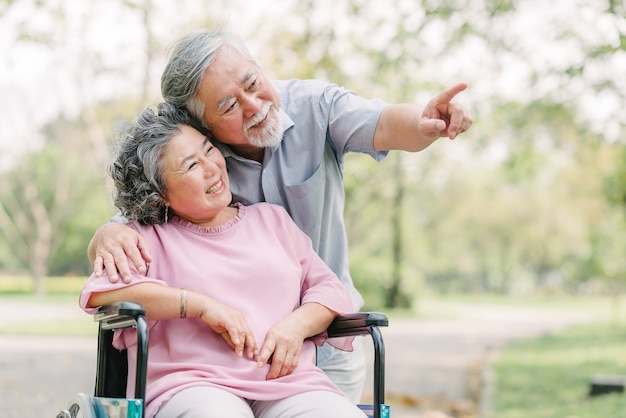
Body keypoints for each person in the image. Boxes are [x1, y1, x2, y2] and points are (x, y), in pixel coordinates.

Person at [88, 29, 474, 402]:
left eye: (252, 83)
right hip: (224, 363)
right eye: (229, 106)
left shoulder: (314, 104)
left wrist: (424, 124)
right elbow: (137, 219)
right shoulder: (196, 159)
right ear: (200, 125)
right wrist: (106, 233)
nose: (254, 106)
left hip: (326, 338)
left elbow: (384, 123)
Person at [80, 103, 366, 418]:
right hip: (192, 386)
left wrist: (297, 325)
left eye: (209, 150)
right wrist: (199, 305)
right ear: (160, 192)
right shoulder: (144, 239)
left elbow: (329, 289)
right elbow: (105, 293)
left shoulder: (273, 221)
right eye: (190, 165)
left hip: (290, 383)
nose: (212, 167)